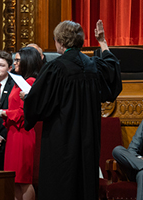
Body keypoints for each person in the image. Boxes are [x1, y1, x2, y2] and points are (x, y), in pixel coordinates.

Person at [23, 20, 122, 200]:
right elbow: (112, 73)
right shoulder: (94, 66)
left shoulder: (56, 68)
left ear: (60, 41)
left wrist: (28, 98)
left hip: (61, 141)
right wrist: (102, 41)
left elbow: (37, 104)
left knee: (60, 185)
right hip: (88, 141)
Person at [0, 47, 42, 200]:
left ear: (27, 61)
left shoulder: (30, 82)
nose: (15, 63)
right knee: (15, 180)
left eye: (17, 60)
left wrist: (0, 112)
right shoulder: (20, 81)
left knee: (23, 180)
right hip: (13, 133)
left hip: (22, 134)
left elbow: (24, 112)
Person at [112, 120, 143, 200]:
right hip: (135, 166)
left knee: (142, 173)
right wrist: (139, 160)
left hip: (141, 172)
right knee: (117, 150)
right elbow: (132, 149)